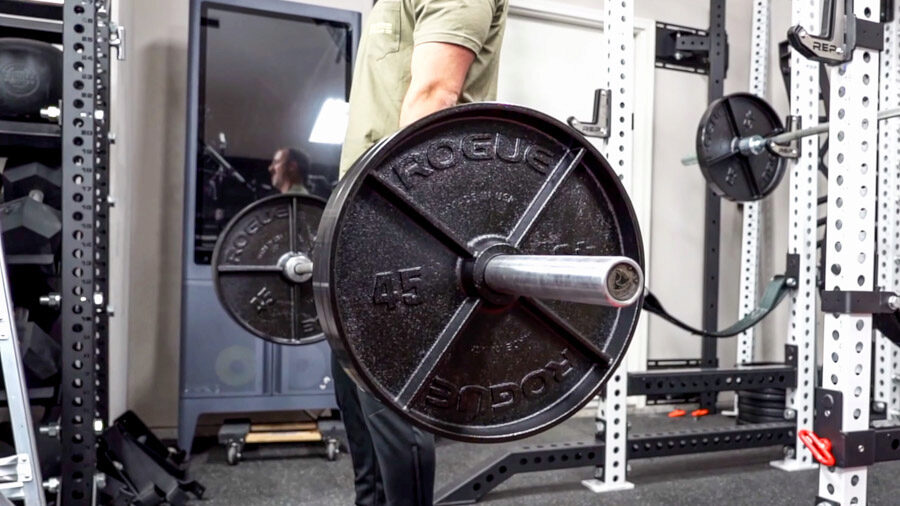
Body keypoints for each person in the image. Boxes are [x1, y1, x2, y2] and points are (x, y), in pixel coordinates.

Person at [334, 0, 509, 505]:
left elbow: (435, 95)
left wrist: (395, 226)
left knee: (391, 393)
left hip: (399, 213)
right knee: (354, 385)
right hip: (358, 208)